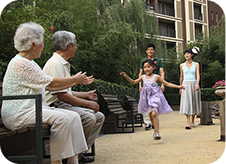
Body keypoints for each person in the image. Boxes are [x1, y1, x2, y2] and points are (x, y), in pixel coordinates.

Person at [1, 22, 93, 164]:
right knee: (62, 118)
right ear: (33, 44)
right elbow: (51, 83)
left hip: (33, 109)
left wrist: (75, 81)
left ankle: (73, 160)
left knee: (74, 117)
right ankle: (56, 161)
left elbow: (49, 86)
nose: (43, 46)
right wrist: (75, 79)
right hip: (19, 113)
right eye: (42, 43)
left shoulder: (30, 62)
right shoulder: (21, 63)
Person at [43, 30, 105, 163]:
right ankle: (73, 155)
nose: (76, 48)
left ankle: (78, 153)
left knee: (99, 116)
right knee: (89, 117)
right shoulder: (55, 64)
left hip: (62, 104)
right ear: (69, 46)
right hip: (54, 106)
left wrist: (86, 95)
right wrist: (87, 103)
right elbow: (61, 96)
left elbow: (66, 91)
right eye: (75, 45)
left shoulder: (63, 63)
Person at [120, 59, 185, 140]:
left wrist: (178, 86)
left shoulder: (156, 77)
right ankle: (155, 128)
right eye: (145, 67)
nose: (146, 69)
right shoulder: (143, 77)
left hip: (155, 97)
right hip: (146, 98)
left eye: (148, 67)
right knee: (151, 115)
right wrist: (125, 76)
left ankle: (157, 132)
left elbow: (167, 83)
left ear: (153, 67)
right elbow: (133, 82)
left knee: (154, 114)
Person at [139, 43, 165, 130]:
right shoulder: (143, 61)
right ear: (146, 51)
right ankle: (147, 123)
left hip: (155, 84)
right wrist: (140, 85)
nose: (150, 51)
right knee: (145, 103)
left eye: (151, 49)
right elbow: (141, 73)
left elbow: (162, 72)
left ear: (154, 51)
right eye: (148, 49)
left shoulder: (158, 61)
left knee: (154, 103)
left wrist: (162, 84)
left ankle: (154, 122)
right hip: (146, 85)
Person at [179, 49, 201, 130]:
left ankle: (192, 121)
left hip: (194, 83)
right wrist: (180, 87)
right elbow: (181, 77)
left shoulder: (196, 64)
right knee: (186, 102)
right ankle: (188, 122)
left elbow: (198, 75)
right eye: (185, 54)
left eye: (188, 53)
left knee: (194, 101)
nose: (187, 55)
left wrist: (197, 84)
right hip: (185, 85)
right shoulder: (182, 65)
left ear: (192, 55)